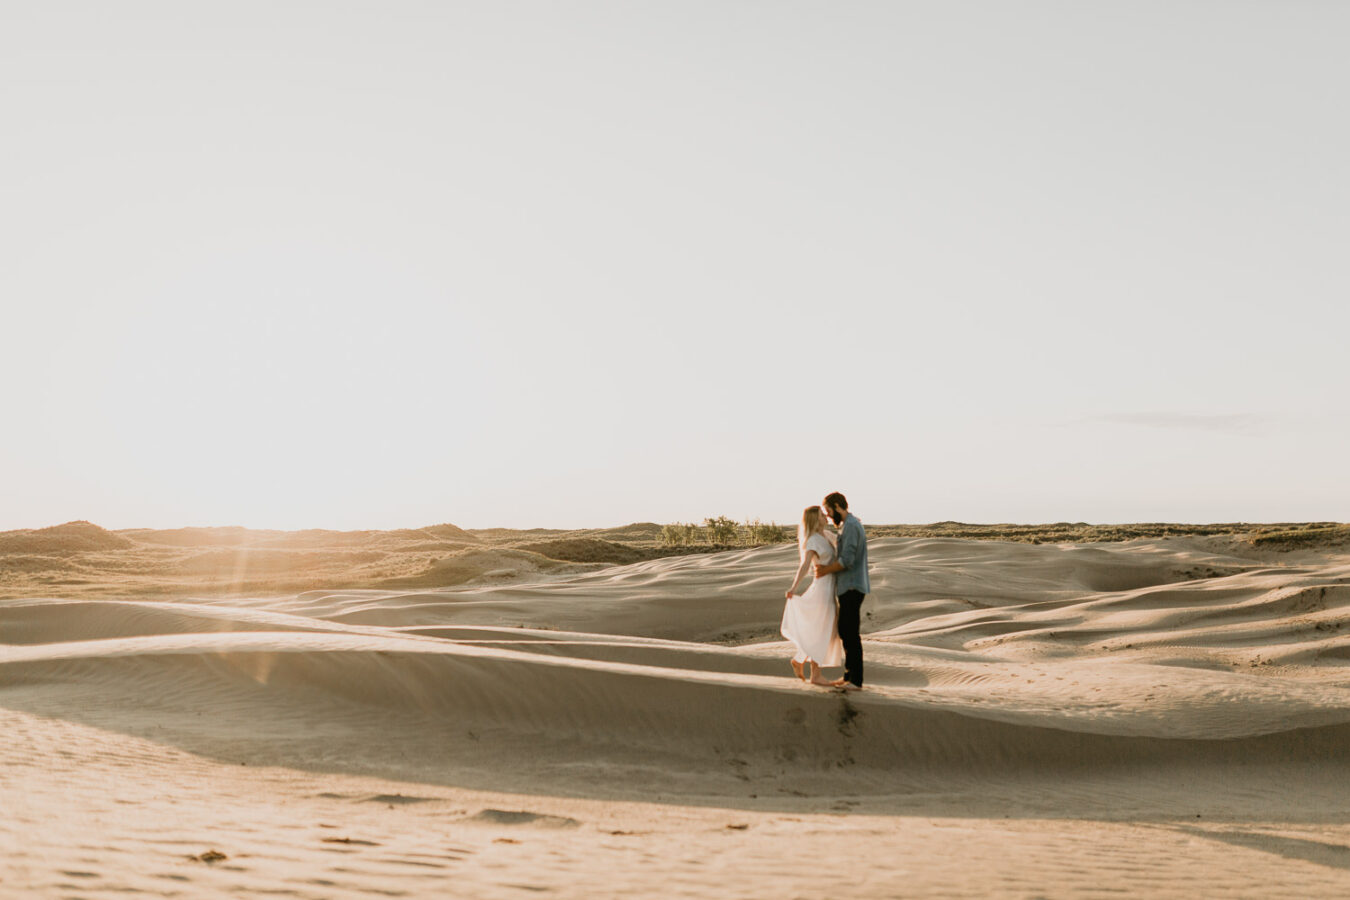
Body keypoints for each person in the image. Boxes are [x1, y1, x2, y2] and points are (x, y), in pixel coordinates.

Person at [812, 492, 869, 690]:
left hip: (852, 586)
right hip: (849, 586)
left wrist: (825, 570)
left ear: (837, 506)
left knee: (850, 632)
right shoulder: (848, 526)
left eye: (828, 511)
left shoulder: (851, 526)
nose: (827, 516)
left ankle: (854, 680)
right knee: (846, 630)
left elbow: (847, 560)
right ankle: (849, 677)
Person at [782, 505, 844, 685]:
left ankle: (799, 659)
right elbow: (805, 565)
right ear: (815, 520)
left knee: (824, 630)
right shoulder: (812, 540)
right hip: (822, 590)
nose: (826, 517)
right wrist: (794, 587)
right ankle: (815, 675)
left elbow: (842, 542)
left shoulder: (826, 536)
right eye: (821, 515)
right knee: (821, 631)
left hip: (830, 589)